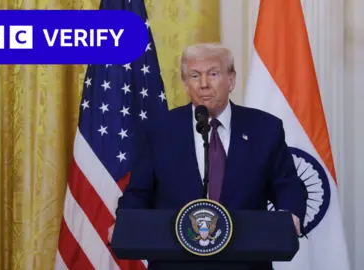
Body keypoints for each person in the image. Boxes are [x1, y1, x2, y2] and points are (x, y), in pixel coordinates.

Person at [109, 43, 307, 269]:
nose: (203, 84)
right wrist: (125, 222)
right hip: (176, 263)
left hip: (244, 263)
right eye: (194, 75)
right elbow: (139, 192)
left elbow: (287, 184)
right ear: (185, 84)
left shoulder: (264, 128)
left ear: (231, 80)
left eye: (213, 74)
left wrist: (289, 215)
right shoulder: (160, 130)